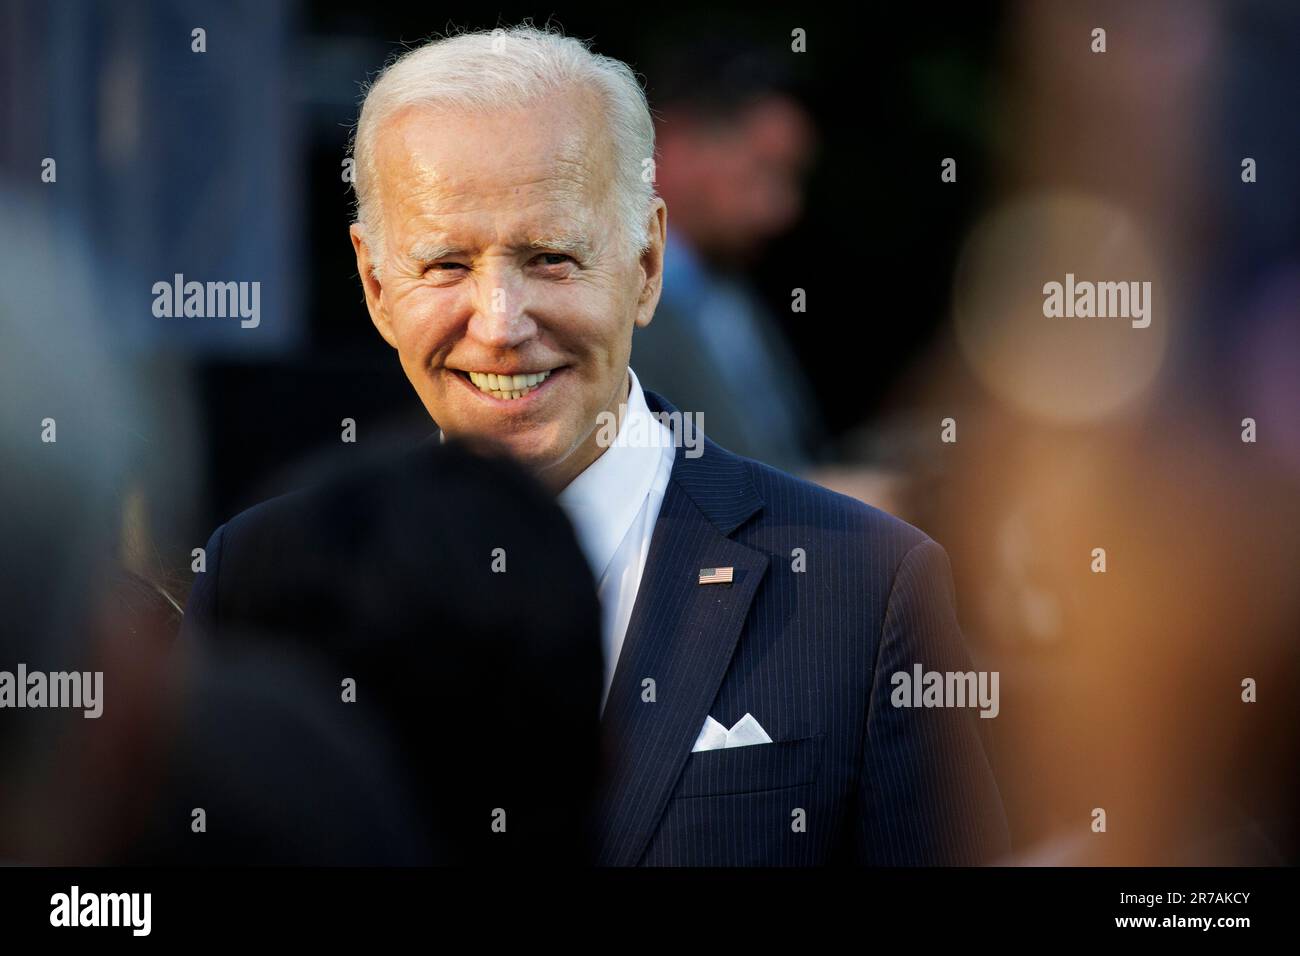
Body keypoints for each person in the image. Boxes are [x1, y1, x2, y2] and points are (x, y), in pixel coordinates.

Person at [189, 24, 1008, 865]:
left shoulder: (862, 587)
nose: (501, 325)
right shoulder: (259, 580)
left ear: (647, 262)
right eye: (445, 265)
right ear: (374, 283)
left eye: (550, 258)